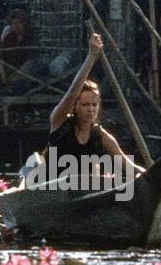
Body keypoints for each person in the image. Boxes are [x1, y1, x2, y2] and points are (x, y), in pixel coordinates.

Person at [44, 33, 139, 182]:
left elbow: (128, 165)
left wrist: (158, 177)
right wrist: (92, 56)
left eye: (94, 105)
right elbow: (71, 94)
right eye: (85, 105)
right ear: (74, 106)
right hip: (55, 189)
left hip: (85, 190)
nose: (91, 109)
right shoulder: (59, 122)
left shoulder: (100, 135)